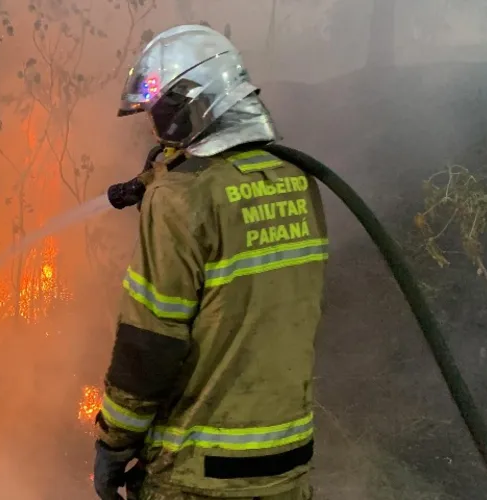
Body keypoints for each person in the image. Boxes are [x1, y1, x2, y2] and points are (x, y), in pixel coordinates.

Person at [93, 24, 328, 500]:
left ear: (191, 106)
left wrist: (114, 443)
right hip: (288, 465)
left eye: (159, 113)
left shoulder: (179, 201)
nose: (155, 127)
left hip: (198, 474)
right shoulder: (298, 182)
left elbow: (150, 343)